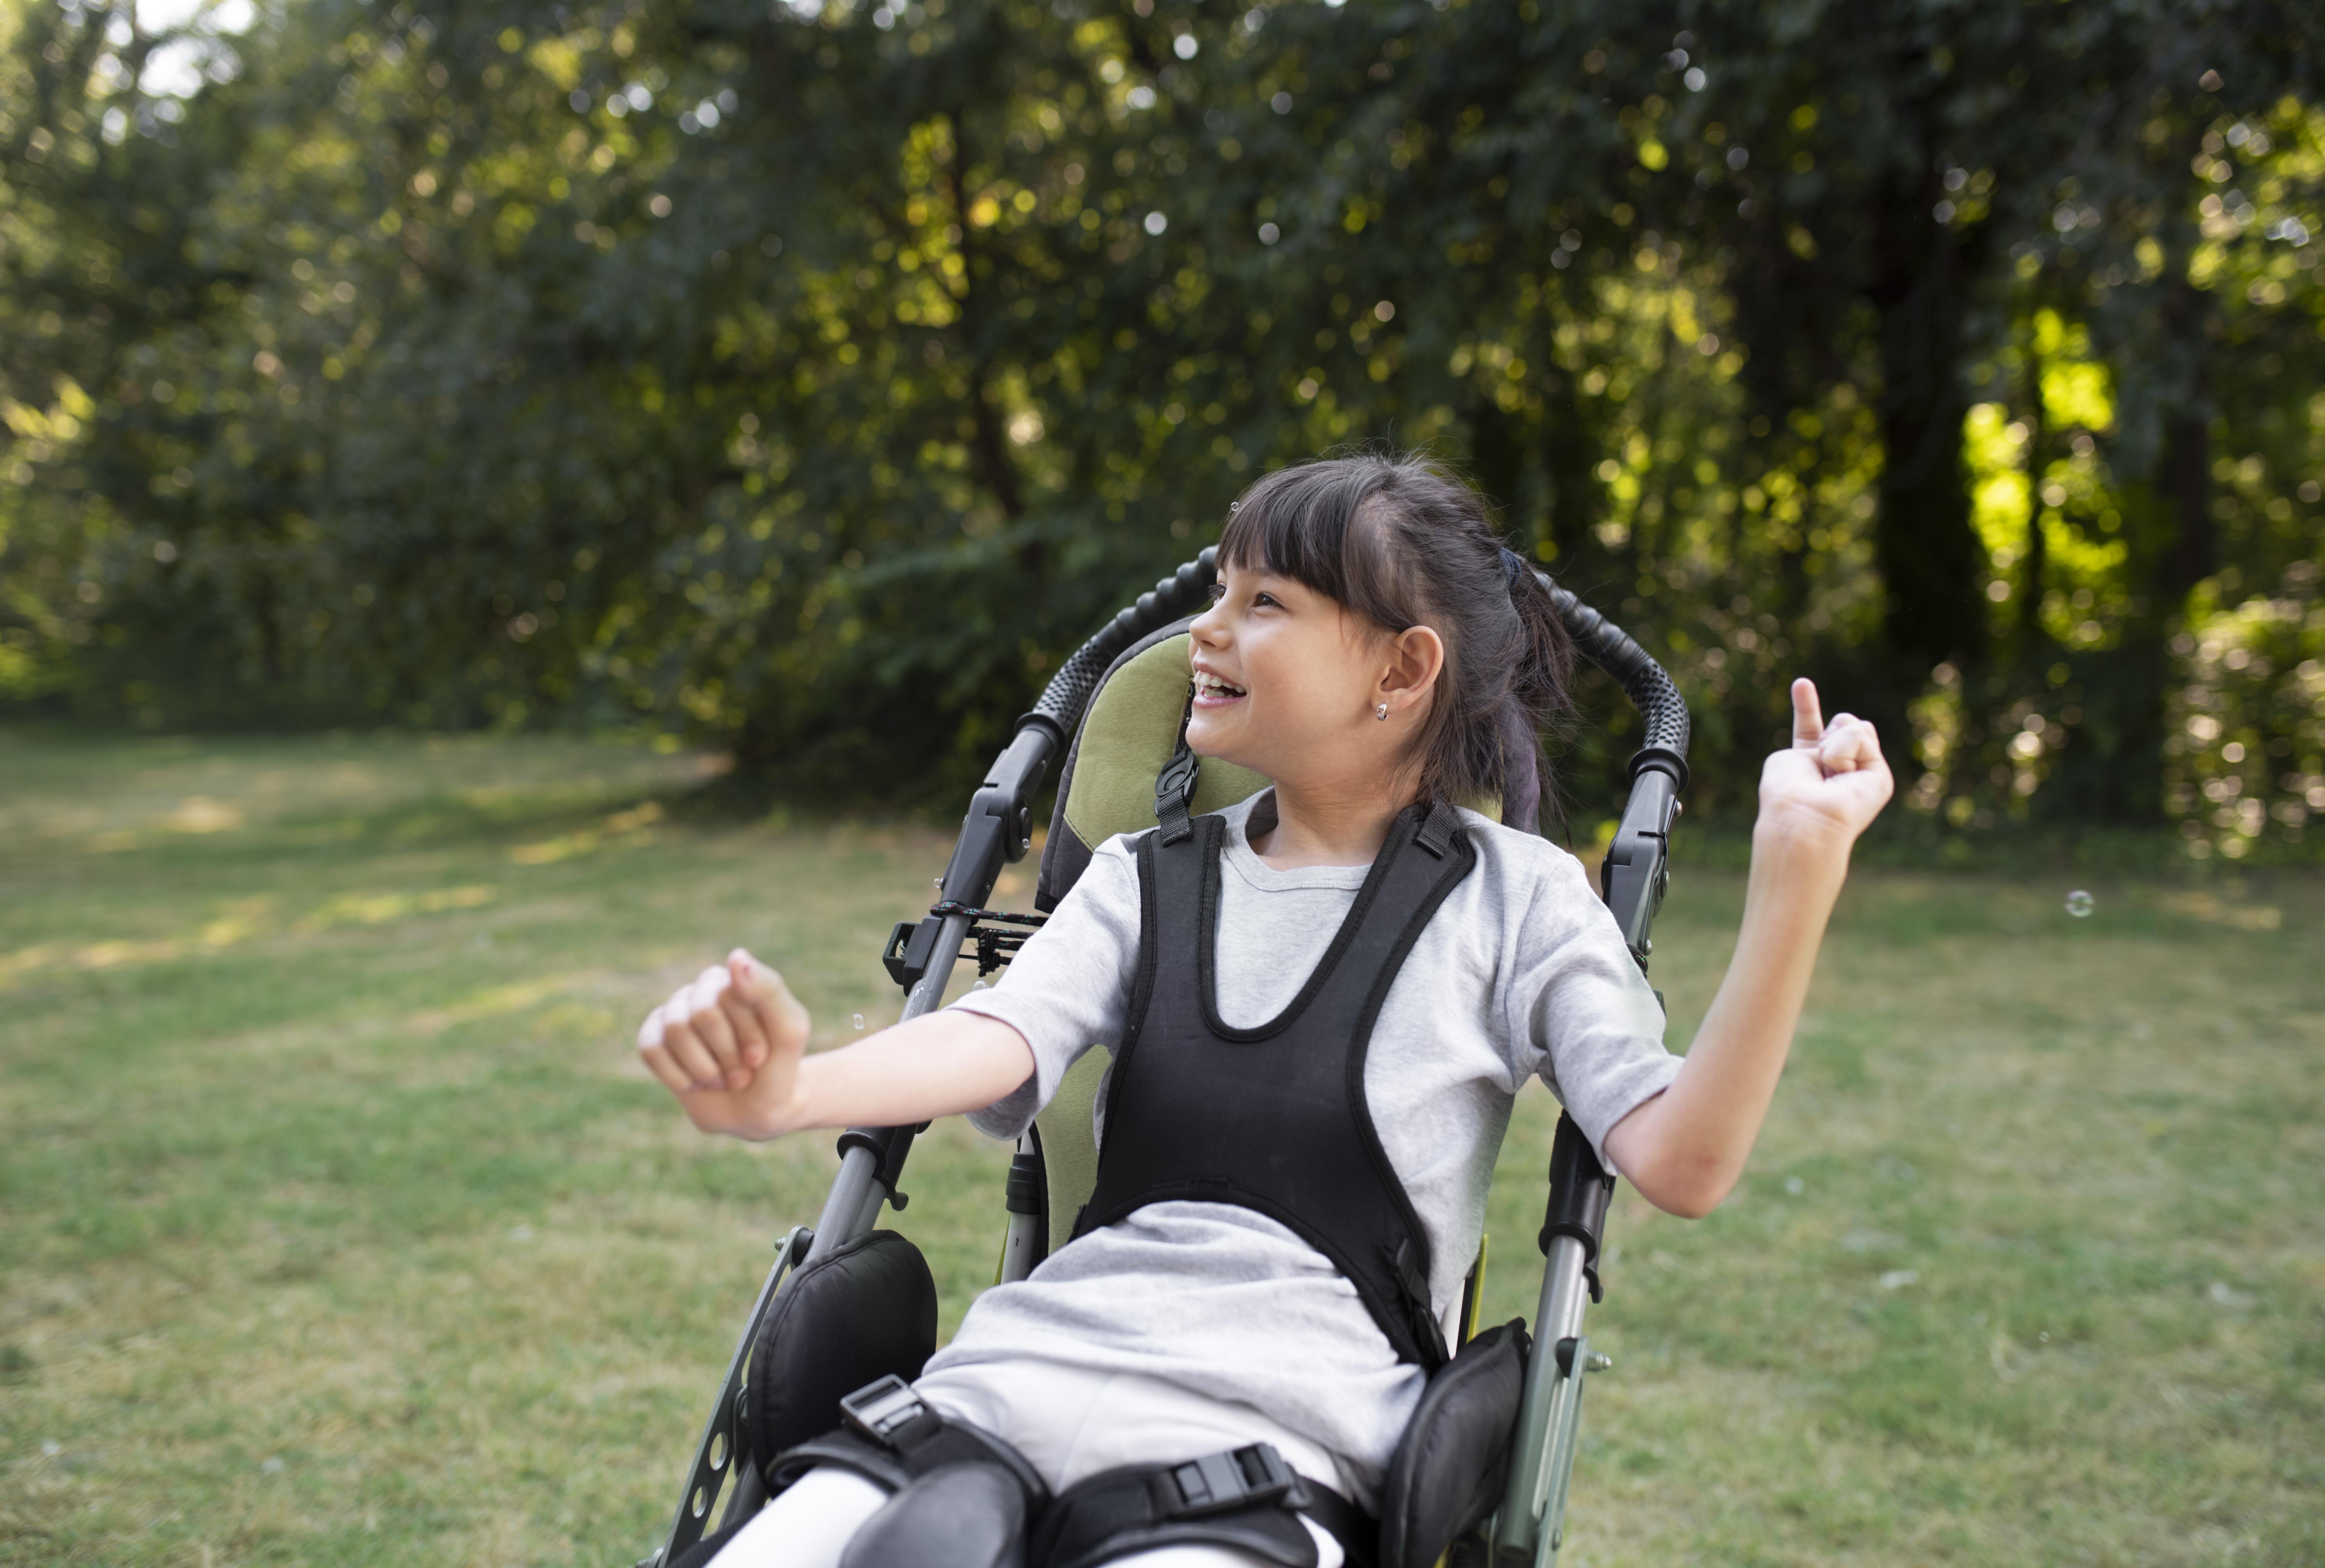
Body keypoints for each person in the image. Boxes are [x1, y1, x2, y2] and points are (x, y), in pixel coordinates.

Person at [634, 454, 1895, 1567]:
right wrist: (785, 1095)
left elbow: (1681, 1159)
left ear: (1403, 669)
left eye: (1265, 605)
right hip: (1001, 1391)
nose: (1208, 633)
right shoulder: (1147, 876)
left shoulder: (1518, 905)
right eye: (1217, 594)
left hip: (1267, 1446)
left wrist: (1796, 880)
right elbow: (990, 1039)